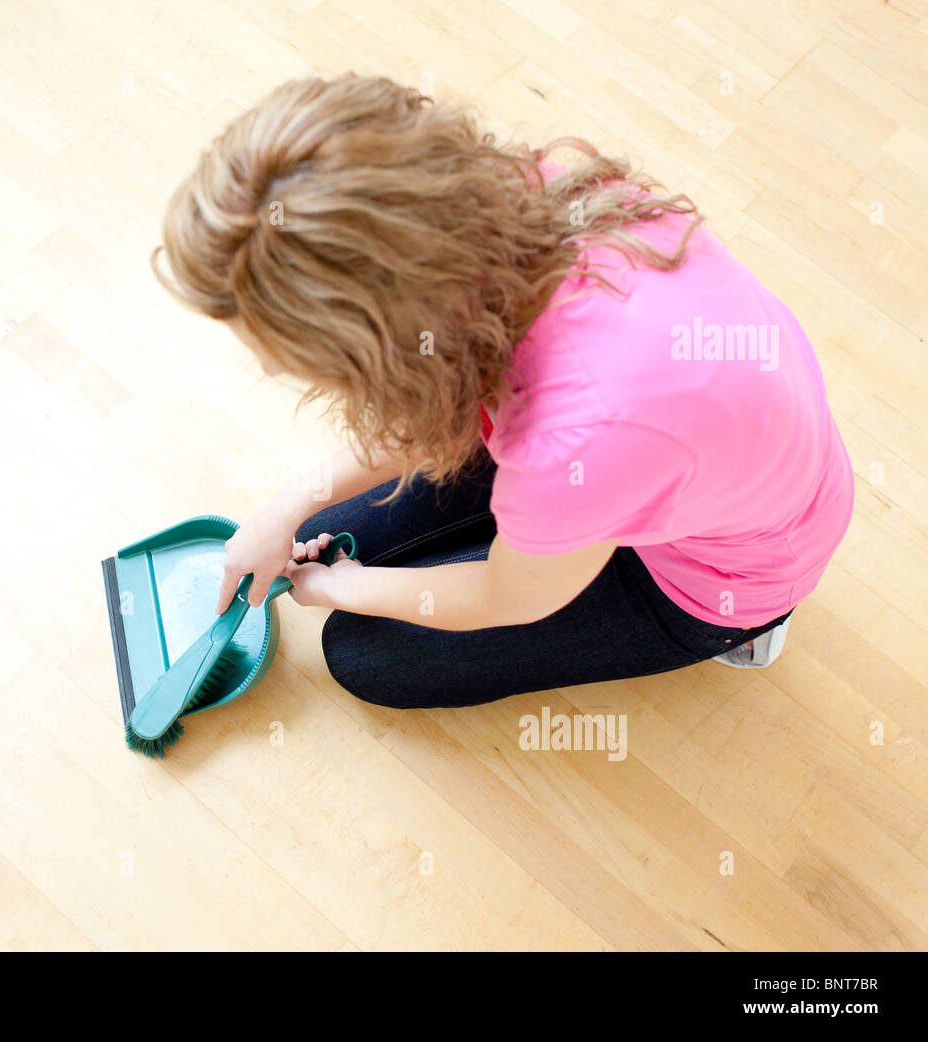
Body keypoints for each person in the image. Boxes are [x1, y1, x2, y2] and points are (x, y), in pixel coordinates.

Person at [150, 74, 854, 709]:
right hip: (640, 449)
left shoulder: (582, 431)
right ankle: (556, 528)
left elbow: (505, 597)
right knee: (309, 537)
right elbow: (449, 405)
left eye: (286, 355)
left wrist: (339, 588)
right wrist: (287, 506)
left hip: (720, 570)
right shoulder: (520, 198)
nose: (275, 371)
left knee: (362, 654)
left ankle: (746, 628)